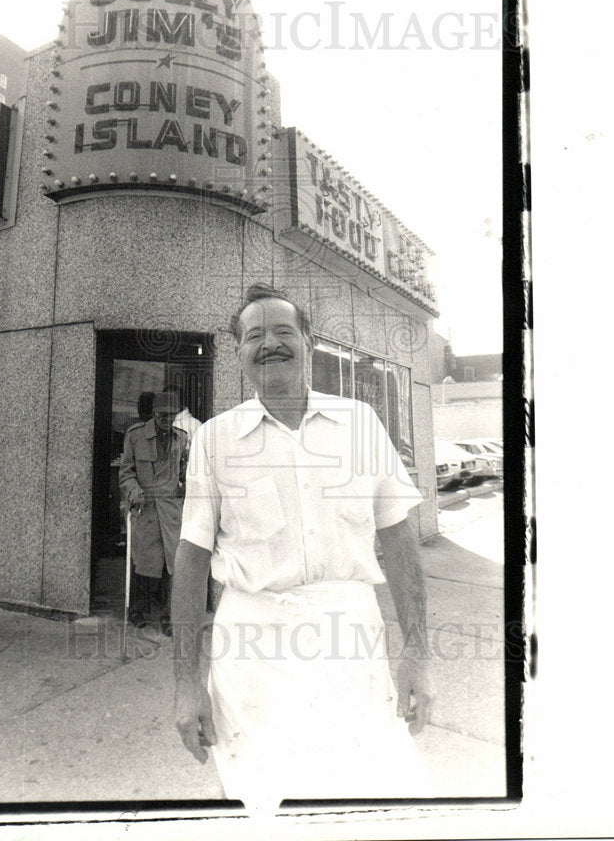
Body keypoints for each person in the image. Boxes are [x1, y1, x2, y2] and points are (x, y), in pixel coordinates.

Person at [172, 283, 434, 808]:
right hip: (250, 654)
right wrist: (186, 683)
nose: (269, 343)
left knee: (363, 797)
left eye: (283, 331)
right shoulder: (215, 439)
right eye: (254, 335)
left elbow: (399, 537)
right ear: (240, 353)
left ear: (309, 342)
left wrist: (418, 655)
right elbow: (192, 558)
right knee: (258, 802)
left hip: (350, 647)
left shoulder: (360, 423)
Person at [119, 390, 189, 633]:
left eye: (172, 416)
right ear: (153, 414)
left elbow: (185, 473)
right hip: (145, 507)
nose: (167, 421)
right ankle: (137, 610)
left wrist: (187, 486)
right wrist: (133, 491)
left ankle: (169, 617)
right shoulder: (135, 436)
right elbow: (126, 472)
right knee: (142, 562)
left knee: (173, 566)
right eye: (162, 416)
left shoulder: (181, 439)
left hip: (170, 511)